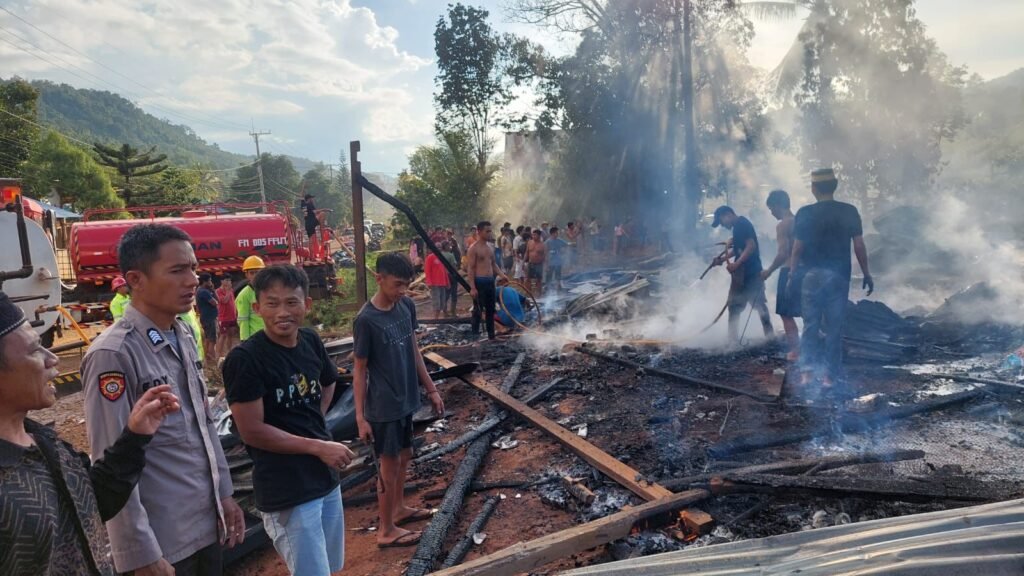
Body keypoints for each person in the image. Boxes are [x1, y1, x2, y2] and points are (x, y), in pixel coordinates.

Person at [81, 224, 245, 576]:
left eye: (194, 268)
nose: (192, 280)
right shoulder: (114, 354)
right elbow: (110, 460)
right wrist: (138, 553)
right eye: (177, 270)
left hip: (205, 523)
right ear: (136, 280)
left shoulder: (182, 333)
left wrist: (225, 495)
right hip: (163, 541)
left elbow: (202, 423)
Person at [0, 291, 181, 576]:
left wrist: (135, 437)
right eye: (35, 350)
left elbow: (91, 503)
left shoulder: (43, 442)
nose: (52, 359)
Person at [223, 265, 354, 575]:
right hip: (287, 488)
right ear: (257, 308)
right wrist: (318, 446)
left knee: (332, 565)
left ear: (306, 305)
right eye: (272, 303)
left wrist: (314, 423)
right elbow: (251, 431)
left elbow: (328, 381)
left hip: (324, 479)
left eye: (292, 302)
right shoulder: (246, 359)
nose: (283, 312)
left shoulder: (310, 341)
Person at [352, 253, 445, 548]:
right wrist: (360, 416)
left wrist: (430, 388)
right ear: (378, 279)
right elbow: (359, 369)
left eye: (406, 285)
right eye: (396, 285)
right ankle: (386, 530)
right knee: (388, 466)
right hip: (384, 406)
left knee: (405, 457)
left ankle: (399, 509)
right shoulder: (366, 320)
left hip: (406, 397)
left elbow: (415, 350)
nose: (402, 291)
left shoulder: (405, 306)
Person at [788, 168, 874, 395]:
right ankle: (828, 378)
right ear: (834, 185)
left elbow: (797, 249)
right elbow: (859, 245)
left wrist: (791, 275)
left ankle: (806, 374)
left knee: (810, 325)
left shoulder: (805, 213)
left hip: (812, 276)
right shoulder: (849, 211)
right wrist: (866, 272)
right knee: (834, 328)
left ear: (813, 188)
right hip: (838, 277)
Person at [712, 205, 774, 344]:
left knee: (757, 306)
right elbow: (740, 249)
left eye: (721, 221)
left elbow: (751, 246)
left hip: (750, 273)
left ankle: (769, 338)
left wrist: (736, 264)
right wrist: (721, 260)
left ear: (728, 214)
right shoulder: (738, 226)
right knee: (737, 307)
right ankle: (734, 340)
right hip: (743, 274)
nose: (722, 225)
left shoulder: (741, 224)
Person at [760, 190, 801, 361]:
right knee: (809, 312)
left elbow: (783, 253)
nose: (771, 213)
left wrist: (768, 271)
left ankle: (795, 352)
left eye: (771, 208)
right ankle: (814, 349)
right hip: (805, 270)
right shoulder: (801, 221)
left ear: (778, 205)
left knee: (786, 313)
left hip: (788, 269)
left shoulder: (783, 225)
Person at [466, 221, 507, 340]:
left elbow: (494, 264)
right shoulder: (473, 249)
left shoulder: (490, 247)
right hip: (480, 282)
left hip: (490, 281)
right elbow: (471, 269)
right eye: (487, 231)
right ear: (479, 231)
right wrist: (472, 287)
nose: (489, 233)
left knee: (491, 309)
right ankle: (475, 338)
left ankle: (491, 336)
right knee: (478, 311)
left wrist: (502, 275)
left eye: (490, 230)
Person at [237, 255, 266, 340]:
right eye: (252, 273)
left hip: (271, 336)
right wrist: (245, 340)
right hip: (256, 338)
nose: (255, 275)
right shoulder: (244, 295)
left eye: (258, 272)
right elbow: (243, 320)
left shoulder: (269, 290)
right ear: (246, 275)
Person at [195, 273, 218, 366]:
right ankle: (212, 360)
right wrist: (213, 290)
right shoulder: (204, 292)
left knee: (208, 339)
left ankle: (207, 358)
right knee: (212, 339)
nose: (211, 282)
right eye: (209, 280)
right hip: (209, 318)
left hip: (205, 318)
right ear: (205, 281)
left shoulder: (200, 290)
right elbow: (215, 302)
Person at [215, 277, 239, 360]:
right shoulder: (218, 291)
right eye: (227, 280)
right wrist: (228, 291)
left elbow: (232, 301)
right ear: (222, 281)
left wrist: (235, 312)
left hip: (232, 317)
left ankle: (229, 352)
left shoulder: (231, 290)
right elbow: (224, 301)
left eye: (230, 280)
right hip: (223, 317)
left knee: (231, 335)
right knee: (223, 335)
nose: (229, 282)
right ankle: (218, 355)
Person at [424, 246, 450, 320]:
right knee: (437, 303)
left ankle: (442, 319)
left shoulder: (441, 258)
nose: (439, 249)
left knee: (443, 302)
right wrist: (429, 282)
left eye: (440, 248)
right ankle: (436, 320)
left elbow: (444, 271)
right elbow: (427, 270)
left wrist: (447, 281)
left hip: (442, 283)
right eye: (437, 248)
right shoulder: (430, 257)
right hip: (435, 283)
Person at [545, 226, 568, 293]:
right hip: (550, 262)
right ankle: (547, 287)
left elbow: (566, 245)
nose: (557, 234)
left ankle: (558, 286)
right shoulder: (548, 242)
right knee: (549, 275)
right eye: (556, 233)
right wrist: (546, 264)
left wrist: (563, 251)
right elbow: (546, 253)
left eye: (557, 233)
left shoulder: (559, 240)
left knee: (558, 275)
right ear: (552, 233)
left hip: (558, 261)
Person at [445, 233, 462, 317]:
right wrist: (457, 274)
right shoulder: (451, 255)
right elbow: (454, 266)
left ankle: (445, 312)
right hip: (452, 275)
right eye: (449, 245)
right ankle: (453, 312)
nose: (450, 246)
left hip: (445, 276)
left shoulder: (440, 254)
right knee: (453, 293)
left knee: (446, 293)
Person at [526, 228, 546, 297]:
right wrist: (523, 262)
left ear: (539, 236)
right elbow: (527, 252)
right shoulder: (529, 242)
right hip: (531, 263)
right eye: (533, 235)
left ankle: (539, 295)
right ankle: (529, 294)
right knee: (528, 279)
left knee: (539, 280)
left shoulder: (542, 245)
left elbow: (545, 255)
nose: (533, 236)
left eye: (535, 235)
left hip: (539, 264)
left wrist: (546, 265)